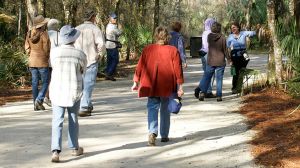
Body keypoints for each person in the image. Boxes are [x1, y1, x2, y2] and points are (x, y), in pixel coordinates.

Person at [131, 26, 184, 146]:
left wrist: (136, 81)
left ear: (156, 36)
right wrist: (180, 86)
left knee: (152, 108)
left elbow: (140, 66)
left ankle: (152, 132)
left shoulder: (148, 49)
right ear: (167, 37)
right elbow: (178, 70)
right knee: (165, 109)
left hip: (152, 85)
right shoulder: (173, 50)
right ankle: (164, 135)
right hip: (167, 85)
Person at [49, 25, 87, 162]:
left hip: (57, 90)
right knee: (73, 119)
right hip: (74, 90)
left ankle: (55, 151)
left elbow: (52, 66)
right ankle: (74, 148)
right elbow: (83, 70)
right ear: (74, 39)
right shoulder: (80, 54)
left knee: (57, 120)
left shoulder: (54, 52)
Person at [75, 9, 106, 117]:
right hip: (91, 60)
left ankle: (87, 104)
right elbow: (101, 44)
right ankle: (83, 107)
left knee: (81, 84)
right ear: (92, 17)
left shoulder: (77, 29)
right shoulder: (95, 29)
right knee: (88, 84)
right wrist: (100, 55)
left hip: (78, 60)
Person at [199, 22, 231, 102]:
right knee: (219, 79)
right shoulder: (223, 38)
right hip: (220, 61)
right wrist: (229, 59)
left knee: (207, 77)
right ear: (220, 29)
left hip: (210, 61)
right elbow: (225, 50)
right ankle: (219, 96)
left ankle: (202, 93)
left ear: (212, 28)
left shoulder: (209, 37)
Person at [25, 15, 51, 111]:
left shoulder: (29, 34)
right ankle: (39, 100)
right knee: (46, 82)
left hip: (32, 61)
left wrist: (31, 55)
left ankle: (36, 104)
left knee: (34, 83)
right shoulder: (44, 34)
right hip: (42, 61)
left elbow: (27, 48)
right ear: (42, 24)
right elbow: (46, 48)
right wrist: (46, 57)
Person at [227, 21, 256, 94]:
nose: (233, 29)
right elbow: (227, 48)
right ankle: (234, 88)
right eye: (231, 28)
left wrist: (252, 33)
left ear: (238, 27)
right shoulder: (230, 37)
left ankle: (239, 88)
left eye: (234, 27)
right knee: (234, 73)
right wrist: (229, 59)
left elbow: (254, 33)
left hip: (243, 56)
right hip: (234, 56)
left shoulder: (243, 33)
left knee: (241, 72)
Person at [194, 18, 216, 99]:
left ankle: (205, 90)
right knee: (210, 73)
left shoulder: (204, 32)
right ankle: (207, 91)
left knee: (206, 73)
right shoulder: (211, 33)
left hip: (203, 54)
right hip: (209, 54)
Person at [44, 18, 61, 107]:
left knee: (47, 79)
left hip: (44, 60)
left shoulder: (44, 34)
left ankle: (44, 96)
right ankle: (48, 96)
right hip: (56, 60)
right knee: (54, 79)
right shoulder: (59, 35)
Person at [105, 12, 122, 81]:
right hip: (112, 45)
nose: (115, 19)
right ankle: (109, 73)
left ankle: (108, 74)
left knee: (110, 60)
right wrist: (121, 28)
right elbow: (119, 33)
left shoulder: (109, 25)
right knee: (115, 60)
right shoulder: (112, 26)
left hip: (109, 44)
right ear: (110, 19)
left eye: (115, 18)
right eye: (114, 18)